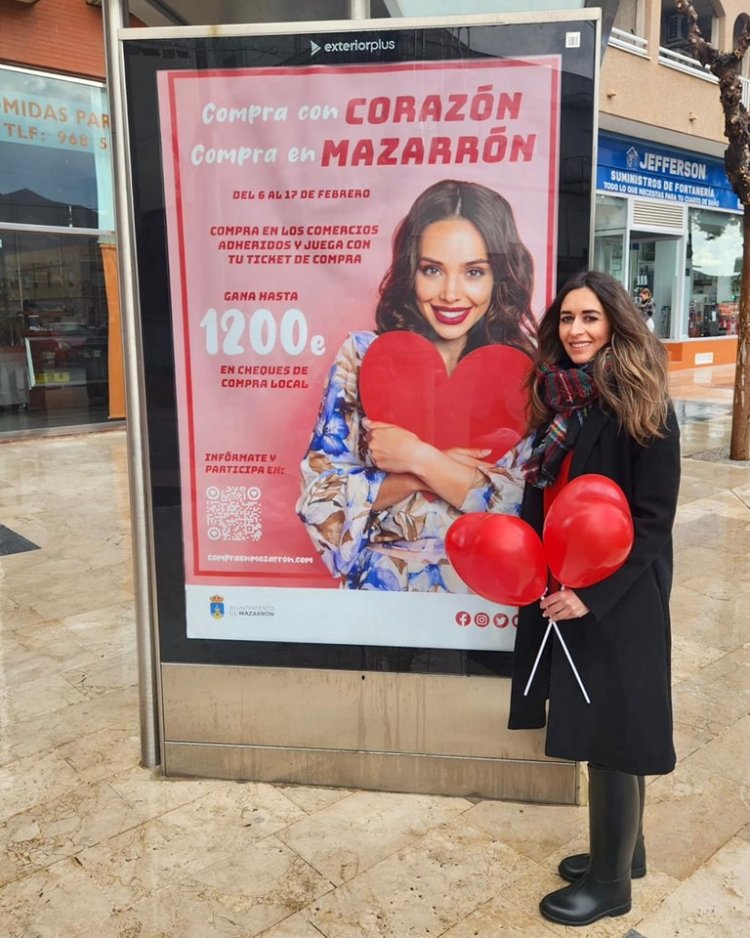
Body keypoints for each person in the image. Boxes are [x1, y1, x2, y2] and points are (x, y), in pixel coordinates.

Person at [508, 270, 680, 926]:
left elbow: (655, 519)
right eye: (568, 320)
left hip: (618, 601)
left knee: (613, 735)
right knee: (608, 726)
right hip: (566, 585)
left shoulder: (641, 401)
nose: (576, 331)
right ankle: (624, 851)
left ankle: (610, 888)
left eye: (590, 319)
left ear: (614, 324)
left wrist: (594, 595)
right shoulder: (562, 401)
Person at [297, 179, 535, 591]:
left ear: (500, 278)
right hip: (381, 588)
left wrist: (417, 457)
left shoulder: (520, 371)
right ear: (412, 271)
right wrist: (434, 474)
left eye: (474, 272)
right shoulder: (362, 356)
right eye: (432, 270)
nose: (451, 293)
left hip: (485, 591)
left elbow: (524, 505)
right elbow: (321, 502)